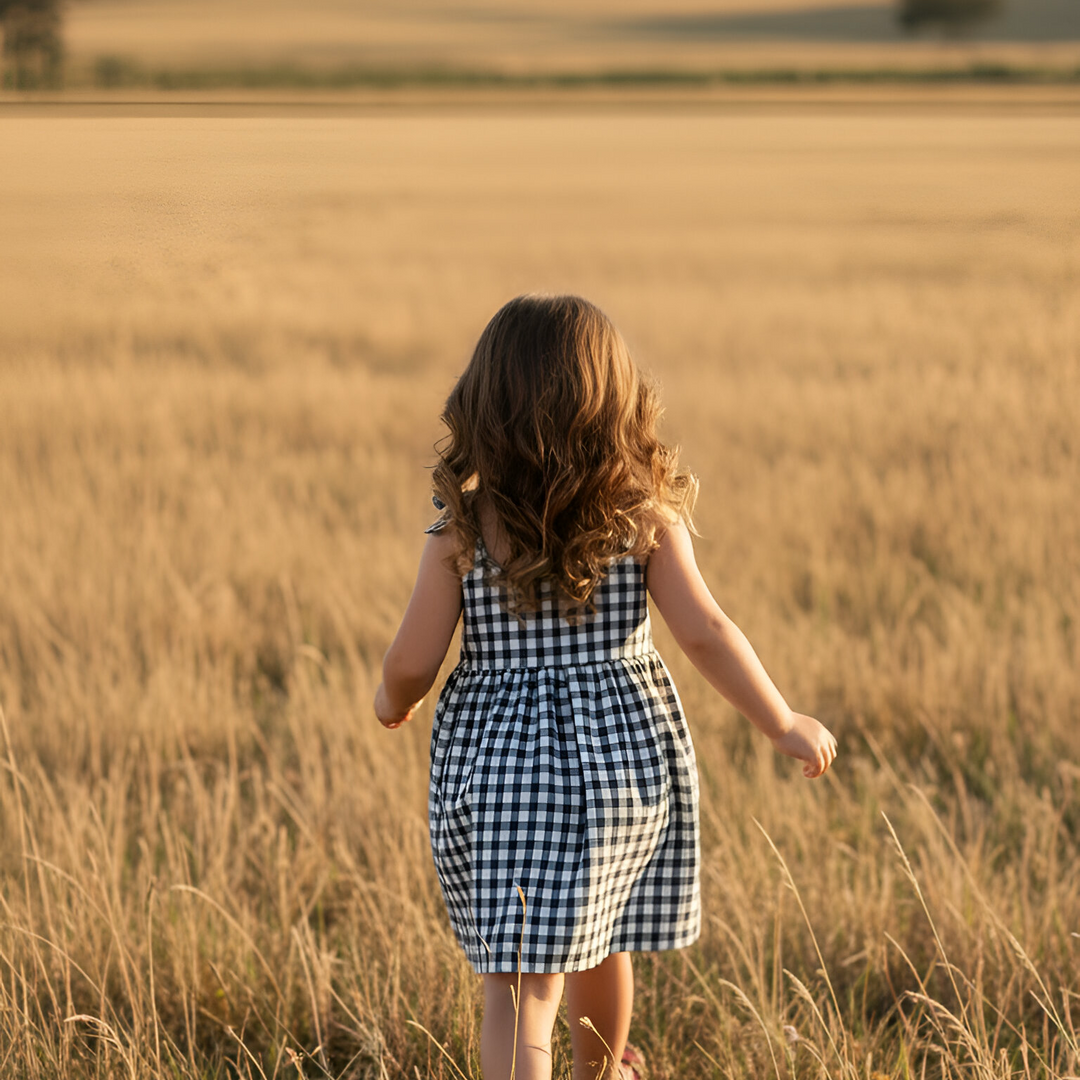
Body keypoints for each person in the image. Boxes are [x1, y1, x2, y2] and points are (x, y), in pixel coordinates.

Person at [374, 295, 838, 1080]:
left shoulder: (463, 528)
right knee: (604, 928)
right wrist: (780, 718)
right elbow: (706, 632)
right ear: (615, 404)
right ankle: (599, 1074)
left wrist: (395, 701)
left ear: (484, 406)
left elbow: (413, 658)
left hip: (502, 782)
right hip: (618, 773)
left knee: (521, 992)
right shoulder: (643, 518)